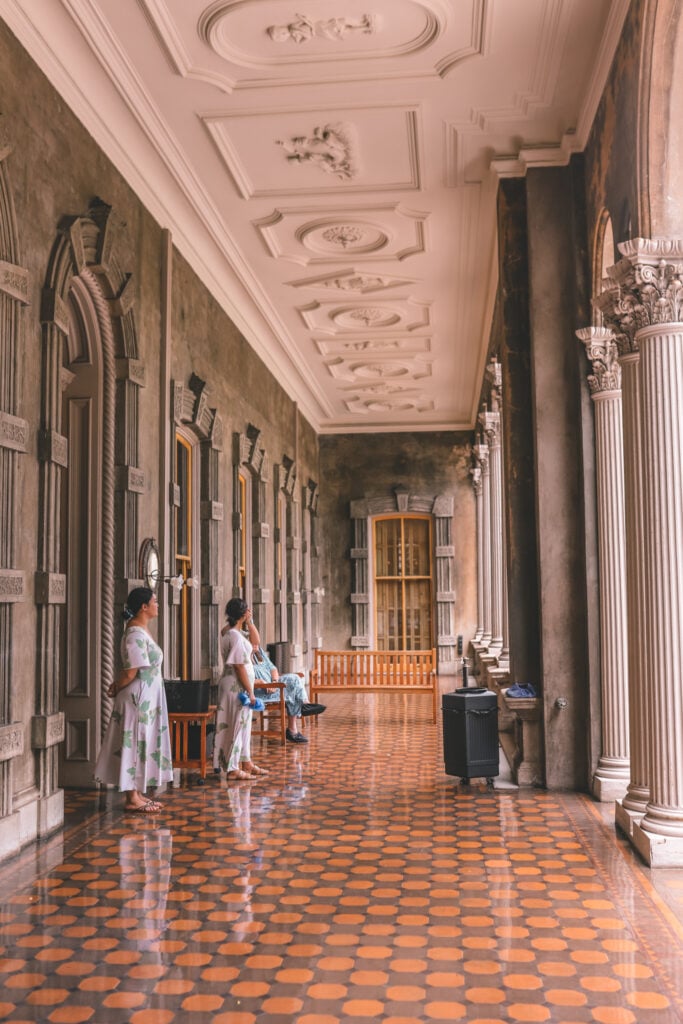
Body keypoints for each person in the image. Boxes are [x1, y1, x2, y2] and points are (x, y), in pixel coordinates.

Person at [94, 587, 173, 813]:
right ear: (143, 607)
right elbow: (131, 671)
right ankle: (131, 797)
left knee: (142, 743)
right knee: (134, 743)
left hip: (146, 697)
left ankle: (137, 793)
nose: (158, 605)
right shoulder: (135, 634)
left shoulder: (141, 631)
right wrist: (116, 685)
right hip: (138, 698)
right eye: (155, 601)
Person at [213, 598, 270, 781]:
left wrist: (249, 622)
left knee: (243, 726)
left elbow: (256, 643)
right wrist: (251, 692)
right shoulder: (235, 636)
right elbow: (239, 666)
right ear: (244, 613)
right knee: (235, 725)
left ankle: (246, 762)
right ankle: (232, 768)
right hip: (235, 685)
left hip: (236, 685)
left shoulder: (231, 632)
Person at [250, 638, 326, 743]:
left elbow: (273, 669)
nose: (256, 645)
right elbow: (244, 679)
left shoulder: (259, 654)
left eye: (256, 643)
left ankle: (304, 706)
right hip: (262, 692)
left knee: (294, 678)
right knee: (292, 689)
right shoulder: (243, 660)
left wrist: (274, 681)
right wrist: (261, 683)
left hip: (274, 685)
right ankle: (294, 726)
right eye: (252, 643)